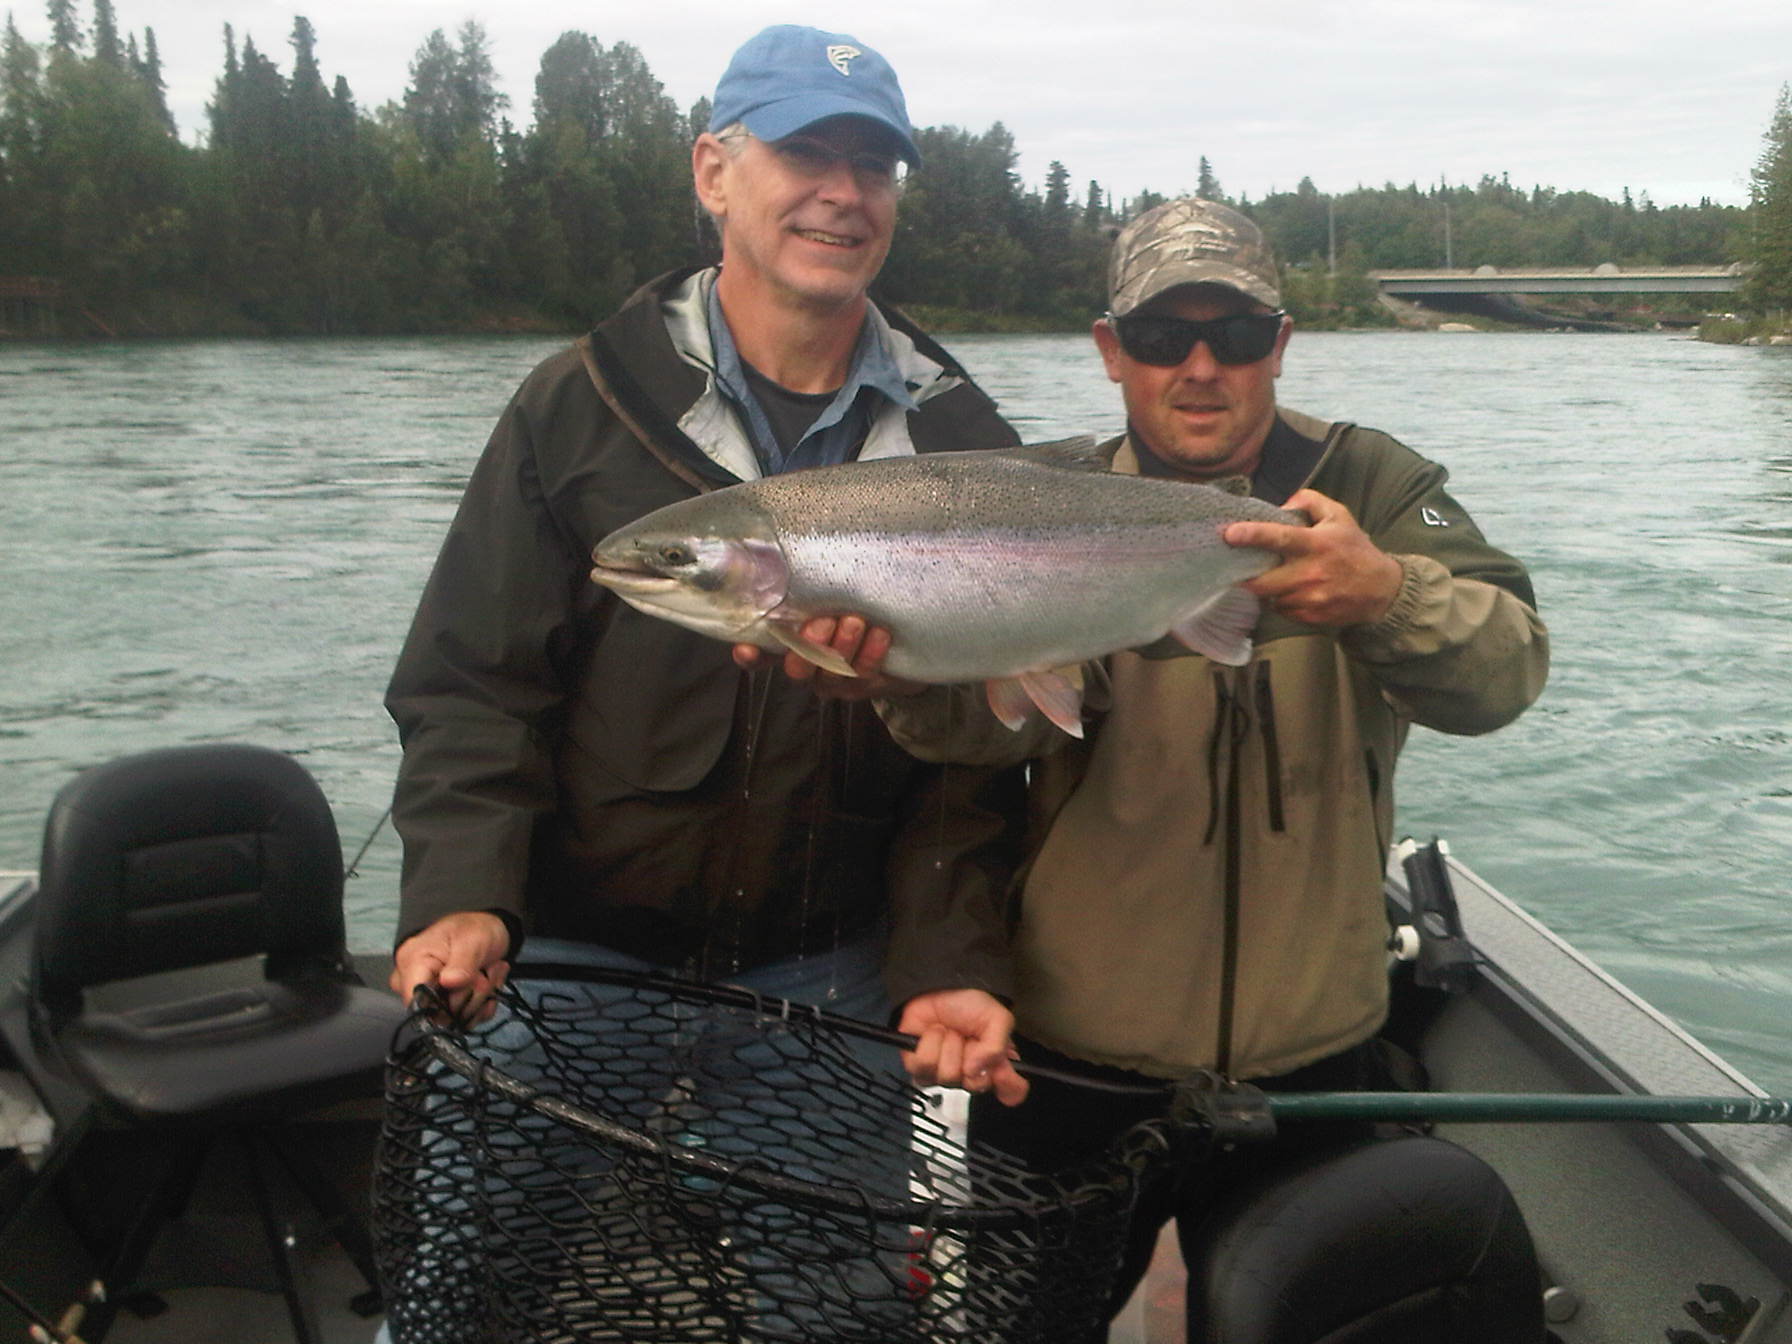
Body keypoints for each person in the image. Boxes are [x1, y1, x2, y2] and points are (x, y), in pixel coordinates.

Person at [868, 198, 1552, 1338]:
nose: (1199, 368)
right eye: (1159, 337)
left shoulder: (1374, 485)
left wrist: (1386, 595)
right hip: (1071, 1066)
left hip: (1317, 1060)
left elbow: (1506, 672)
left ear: (1278, 345)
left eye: (1234, 337)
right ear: (1108, 351)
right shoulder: (1041, 504)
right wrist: (902, 671)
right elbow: (974, 763)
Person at [385, 24, 1032, 1099]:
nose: (843, 192)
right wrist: (464, 895)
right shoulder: (579, 402)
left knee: (826, 1278)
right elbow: (473, 684)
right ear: (714, 173)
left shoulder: (965, 447)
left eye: (872, 166)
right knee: (481, 1267)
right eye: (805, 155)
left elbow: (973, 767)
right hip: (562, 959)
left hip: (834, 977)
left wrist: (948, 963)